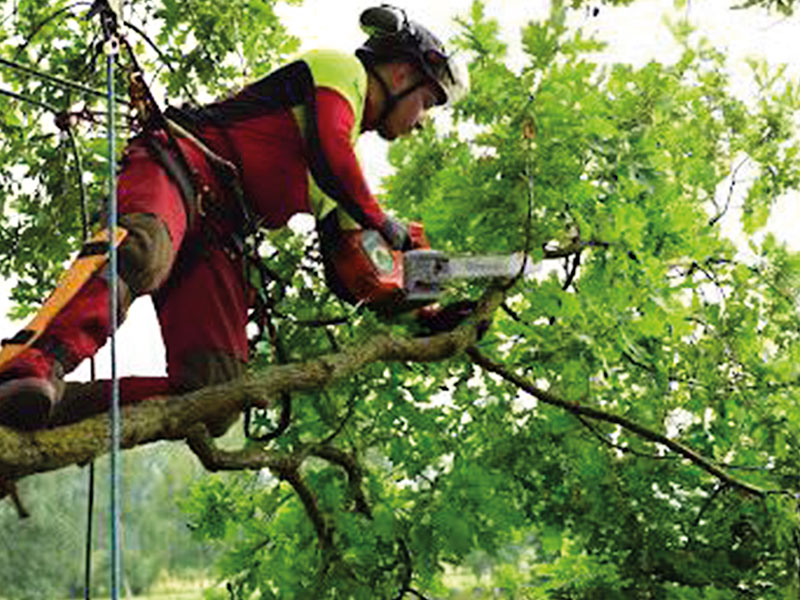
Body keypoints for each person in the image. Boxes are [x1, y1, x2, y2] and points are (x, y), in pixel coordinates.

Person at [0, 6, 469, 432]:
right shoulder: (340, 71)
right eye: (426, 102)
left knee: (214, 397)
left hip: (220, 236)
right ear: (403, 72)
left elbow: (355, 277)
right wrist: (383, 221)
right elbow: (328, 149)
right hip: (182, 167)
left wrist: (424, 306)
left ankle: (42, 415)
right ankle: (27, 365)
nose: (421, 120)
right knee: (143, 250)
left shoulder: (349, 182)